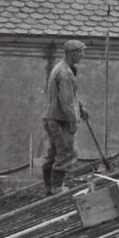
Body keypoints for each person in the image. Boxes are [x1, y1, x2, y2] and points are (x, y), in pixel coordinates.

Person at [43, 39, 88, 192]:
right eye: (80, 52)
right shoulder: (65, 73)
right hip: (60, 119)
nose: (82, 55)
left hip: (53, 116)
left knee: (55, 151)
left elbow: (68, 95)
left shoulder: (61, 68)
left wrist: (80, 106)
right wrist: (73, 120)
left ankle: (49, 187)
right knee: (67, 151)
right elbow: (67, 101)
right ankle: (57, 187)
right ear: (70, 53)